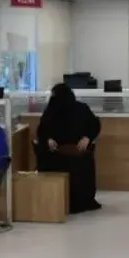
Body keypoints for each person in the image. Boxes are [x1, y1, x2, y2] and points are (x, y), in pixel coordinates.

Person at [36, 83, 102, 212]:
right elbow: (42, 130)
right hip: (61, 154)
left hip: (70, 154)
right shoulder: (52, 110)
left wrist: (87, 137)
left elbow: (94, 124)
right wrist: (48, 139)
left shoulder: (80, 109)